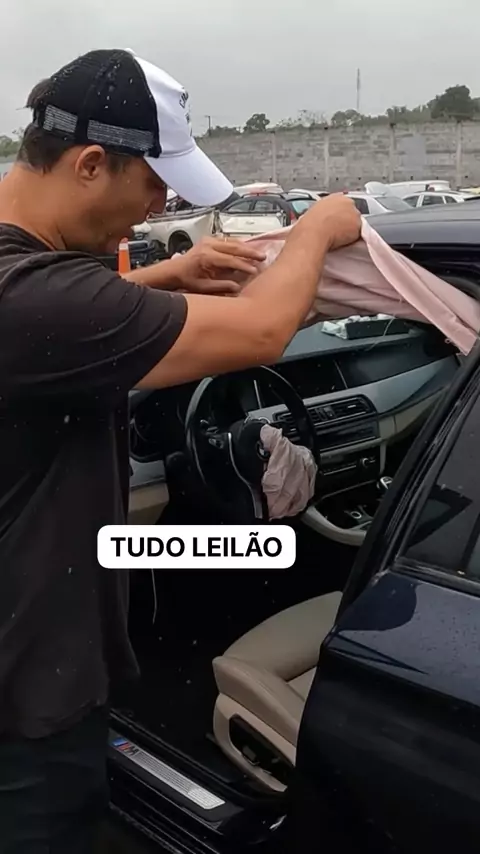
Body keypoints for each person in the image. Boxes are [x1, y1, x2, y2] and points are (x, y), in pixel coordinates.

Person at [0, 47, 360, 852]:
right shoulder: (34, 297)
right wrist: (317, 229)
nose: (159, 207)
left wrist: (173, 275)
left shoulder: (24, 277)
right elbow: (262, 332)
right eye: (155, 183)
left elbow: (57, 320)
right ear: (91, 164)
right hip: (24, 705)